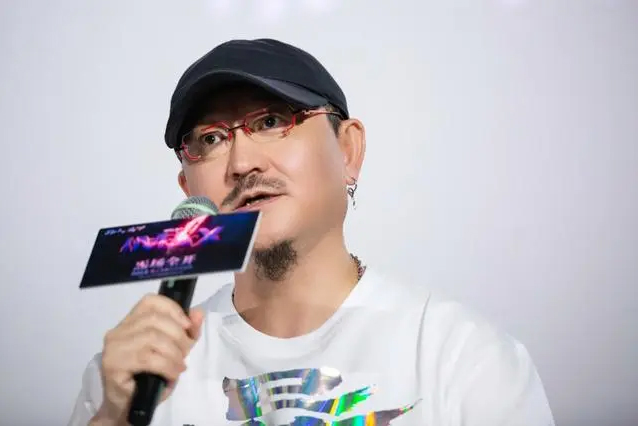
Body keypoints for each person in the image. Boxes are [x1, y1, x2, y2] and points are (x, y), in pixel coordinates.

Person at [68, 38, 555, 426]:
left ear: (348, 151)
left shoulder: (463, 359)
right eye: (211, 139)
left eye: (271, 121)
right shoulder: (131, 379)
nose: (242, 162)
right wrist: (113, 418)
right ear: (187, 187)